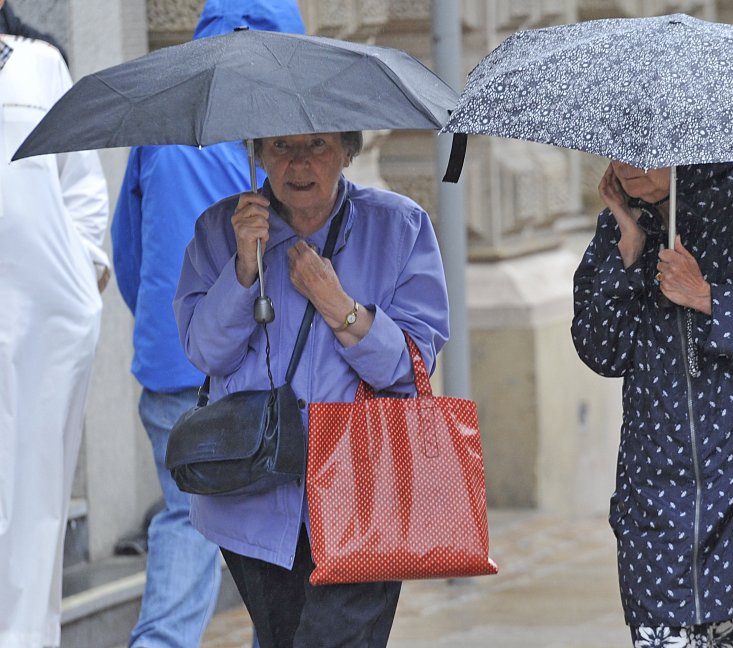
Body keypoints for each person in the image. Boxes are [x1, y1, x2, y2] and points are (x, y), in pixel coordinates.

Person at [174, 131, 449, 647]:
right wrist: (243, 270)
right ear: (259, 154)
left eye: (317, 145)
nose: (299, 163)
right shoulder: (218, 230)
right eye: (280, 147)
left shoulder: (400, 226)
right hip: (254, 492)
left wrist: (337, 303)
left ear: (348, 151)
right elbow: (206, 353)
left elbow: (410, 367)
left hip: (364, 488)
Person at [571, 161, 733, 647]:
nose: (629, 167)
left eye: (647, 153)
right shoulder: (621, 224)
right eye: (622, 147)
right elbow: (602, 351)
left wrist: (709, 299)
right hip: (656, 506)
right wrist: (627, 250)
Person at [111, 2, 305, 646]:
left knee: (186, 515)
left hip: (172, 364)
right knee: (276, 528)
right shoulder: (291, 127)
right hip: (267, 371)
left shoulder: (168, 113)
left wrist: (169, 328)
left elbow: (128, 247)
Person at [0, 12, 110, 648]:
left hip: (44, 323)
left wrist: (84, 271)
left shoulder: (42, 64)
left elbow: (83, 187)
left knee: (36, 490)